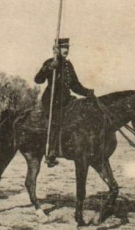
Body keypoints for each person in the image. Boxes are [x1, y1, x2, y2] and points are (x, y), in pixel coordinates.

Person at [34, 38, 94, 167]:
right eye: (63, 48)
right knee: (56, 120)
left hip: (66, 99)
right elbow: (38, 80)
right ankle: (51, 152)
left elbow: (74, 85)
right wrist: (49, 68)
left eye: (68, 47)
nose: (66, 50)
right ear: (56, 49)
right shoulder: (50, 62)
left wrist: (87, 92)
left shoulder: (68, 65)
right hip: (51, 100)